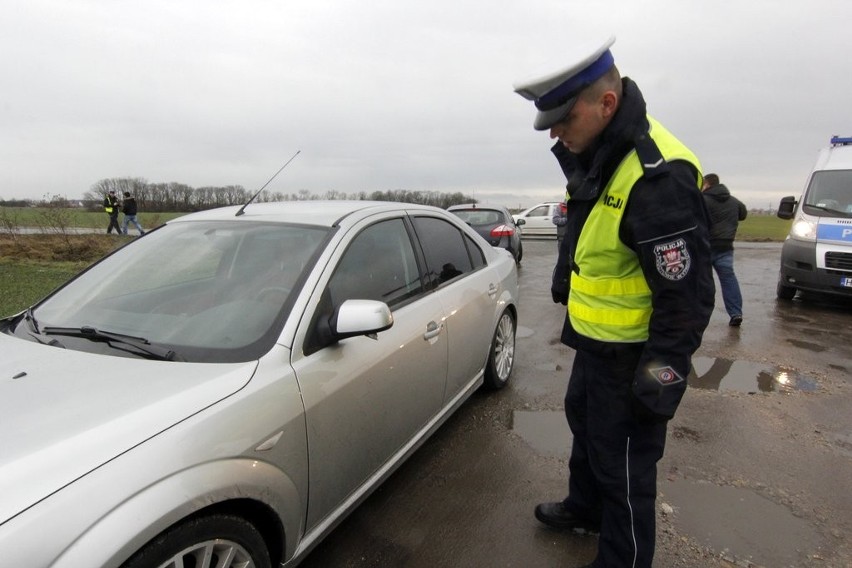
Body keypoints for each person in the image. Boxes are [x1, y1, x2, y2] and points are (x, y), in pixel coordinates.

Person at [513, 36, 714, 568]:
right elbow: (587, 232)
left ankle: (620, 558)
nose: (555, 132)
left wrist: (659, 383)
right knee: (585, 426)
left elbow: (687, 297)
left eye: (563, 118)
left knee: (624, 467)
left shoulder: (658, 176)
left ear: (607, 104)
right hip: (597, 346)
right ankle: (585, 507)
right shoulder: (602, 151)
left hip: (633, 357)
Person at [701, 173, 746, 326]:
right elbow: (743, 214)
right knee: (728, 280)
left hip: (705, 247)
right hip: (726, 246)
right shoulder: (734, 201)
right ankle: (736, 313)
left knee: (702, 282)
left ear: (707, 184)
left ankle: (698, 315)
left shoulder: (703, 200)